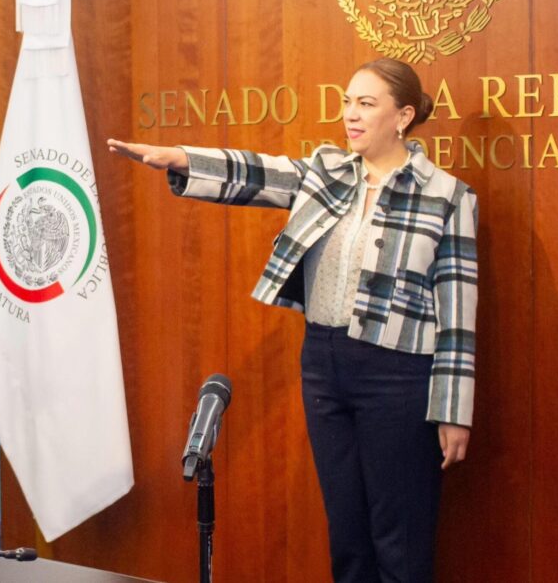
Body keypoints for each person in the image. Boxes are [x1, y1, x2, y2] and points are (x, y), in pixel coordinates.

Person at [108, 58, 477, 583]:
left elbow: (459, 312)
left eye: (366, 104)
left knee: (400, 540)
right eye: (348, 101)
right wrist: (182, 158)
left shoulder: (448, 196)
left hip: (401, 377)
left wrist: (453, 409)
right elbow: (256, 173)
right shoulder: (326, 172)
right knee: (347, 535)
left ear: (403, 116)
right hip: (326, 365)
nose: (350, 114)